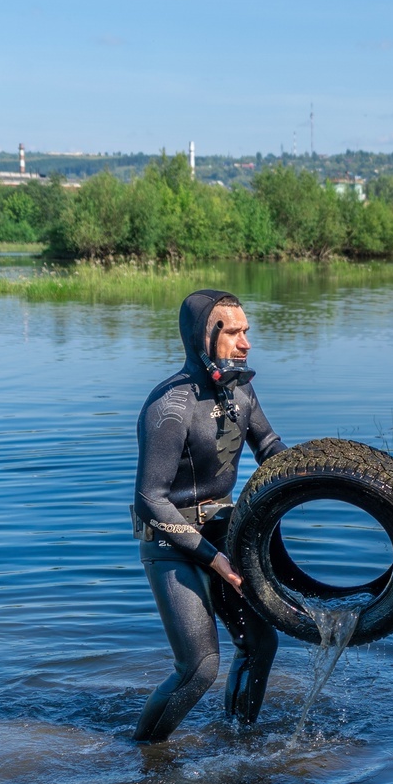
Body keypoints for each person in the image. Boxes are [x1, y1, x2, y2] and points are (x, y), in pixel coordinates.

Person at [130, 289, 286, 743]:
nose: (246, 343)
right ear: (204, 335)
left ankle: (237, 746)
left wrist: (311, 475)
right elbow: (149, 499)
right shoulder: (170, 406)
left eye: (247, 332)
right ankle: (140, 756)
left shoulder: (241, 390)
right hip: (171, 541)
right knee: (199, 668)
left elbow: (270, 448)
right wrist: (212, 558)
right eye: (234, 332)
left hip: (224, 530)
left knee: (260, 645)